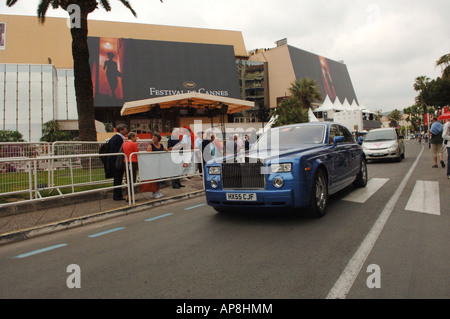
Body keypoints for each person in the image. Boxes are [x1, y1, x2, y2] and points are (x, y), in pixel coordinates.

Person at [142, 133, 167, 199]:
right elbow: (148, 155)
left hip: (160, 164)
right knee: (154, 179)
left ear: (158, 139)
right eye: (153, 138)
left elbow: (163, 150)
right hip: (153, 165)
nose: (154, 139)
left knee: (159, 178)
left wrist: (166, 150)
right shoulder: (150, 146)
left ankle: (157, 191)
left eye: (155, 138)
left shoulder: (161, 145)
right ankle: (154, 192)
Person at [108, 124, 128, 201]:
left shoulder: (116, 138)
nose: (126, 131)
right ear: (121, 130)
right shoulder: (118, 139)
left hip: (115, 161)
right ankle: (117, 196)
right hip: (117, 162)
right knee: (118, 178)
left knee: (118, 179)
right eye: (125, 129)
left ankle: (118, 195)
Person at [121, 132, 139, 202]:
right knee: (133, 178)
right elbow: (136, 153)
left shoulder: (124, 143)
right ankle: (131, 197)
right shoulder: (134, 144)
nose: (136, 139)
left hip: (126, 161)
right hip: (133, 161)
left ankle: (127, 196)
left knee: (128, 179)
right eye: (135, 137)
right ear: (132, 137)